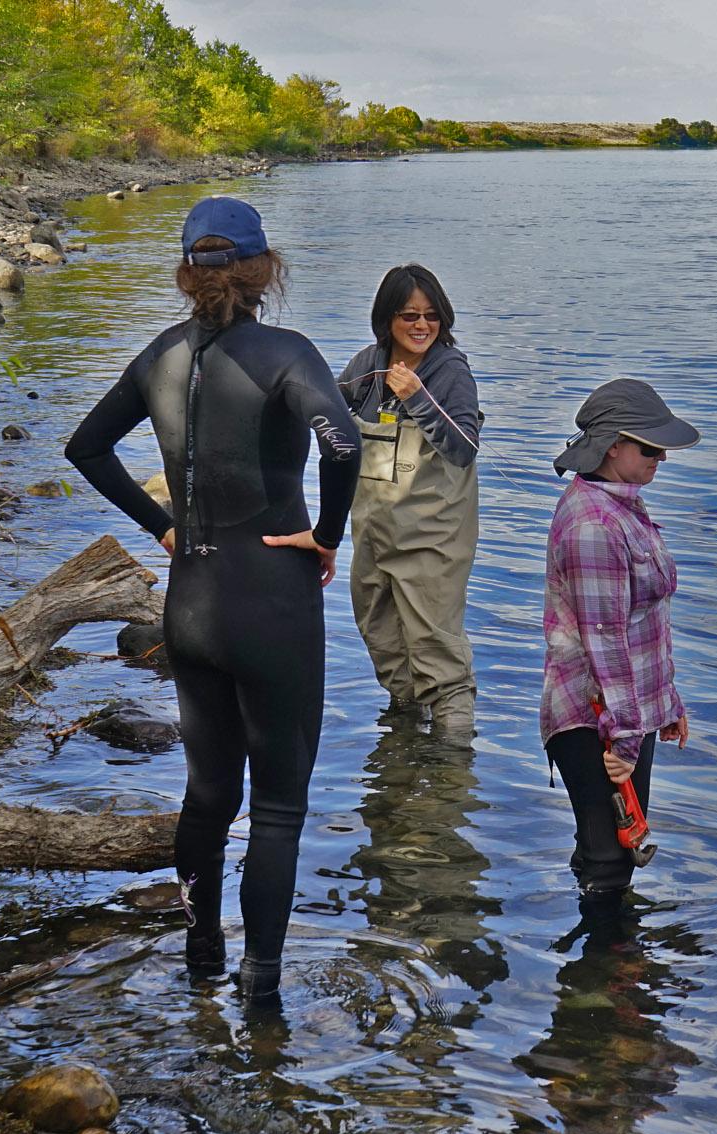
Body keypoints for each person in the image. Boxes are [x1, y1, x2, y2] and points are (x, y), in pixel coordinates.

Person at [65, 196, 361, 1004]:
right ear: (264, 269)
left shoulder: (159, 355)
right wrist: (329, 532)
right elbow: (344, 442)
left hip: (189, 605)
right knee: (276, 809)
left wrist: (161, 525)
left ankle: (201, 954)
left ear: (187, 272)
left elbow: (85, 447)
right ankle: (261, 998)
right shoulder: (286, 353)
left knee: (207, 795)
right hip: (272, 599)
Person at [542, 379, 697, 916]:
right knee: (610, 857)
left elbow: (647, 623)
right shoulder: (593, 525)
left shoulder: (623, 507)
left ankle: (608, 975)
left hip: (627, 712)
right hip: (596, 717)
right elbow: (605, 643)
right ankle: (600, 982)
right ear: (613, 446)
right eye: (651, 448)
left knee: (616, 851)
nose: (662, 458)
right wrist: (627, 738)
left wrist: (667, 702)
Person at [337, 265, 481, 734]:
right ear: (387, 320)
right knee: (383, 643)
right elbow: (327, 423)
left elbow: (463, 448)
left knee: (439, 656)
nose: (422, 326)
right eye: (409, 316)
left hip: (433, 542)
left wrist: (419, 399)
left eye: (431, 316)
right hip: (374, 537)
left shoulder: (451, 371)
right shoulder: (366, 365)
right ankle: (403, 749)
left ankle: (450, 773)